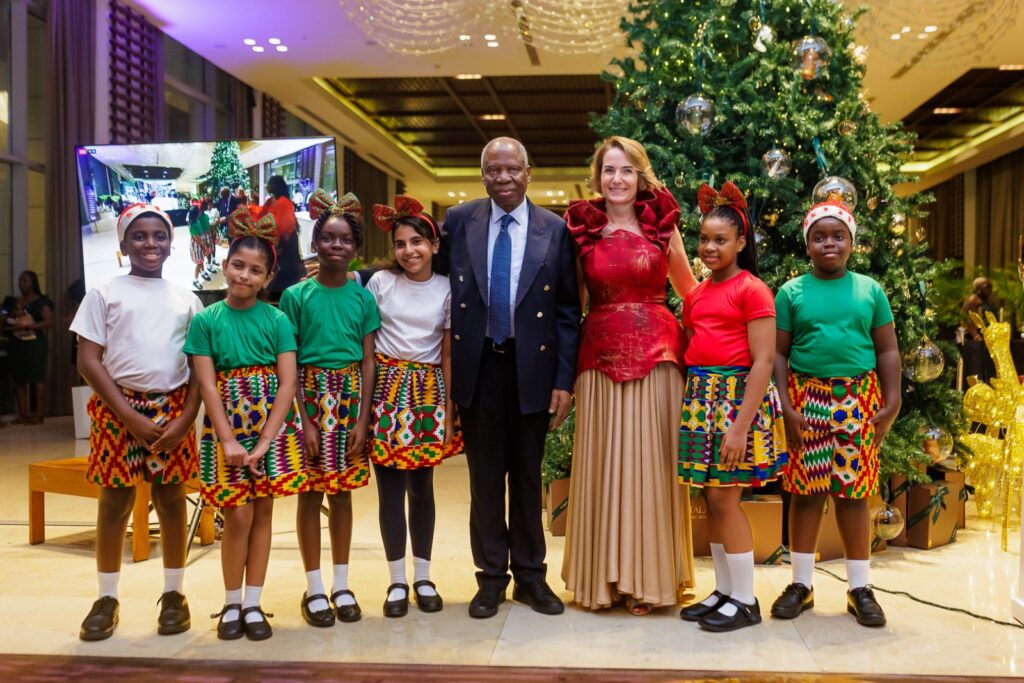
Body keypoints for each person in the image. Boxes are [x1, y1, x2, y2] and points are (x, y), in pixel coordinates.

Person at [443, 137, 581, 619]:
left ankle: (530, 577)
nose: (503, 178)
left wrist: (564, 381)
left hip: (533, 369)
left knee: (526, 477)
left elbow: (568, 312)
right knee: (484, 481)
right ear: (483, 175)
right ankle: (490, 579)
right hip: (478, 368)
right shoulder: (459, 221)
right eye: (493, 170)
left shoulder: (555, 229)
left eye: (512, 169)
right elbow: (434, 285)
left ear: (528, 173)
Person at [560, 136, 697, 615]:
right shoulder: (581, 229)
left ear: (641, 177)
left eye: (626, 170)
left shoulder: (663, 225)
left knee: (651, 469)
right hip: (599, 360)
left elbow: (690, 291)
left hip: (659, 359)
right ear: (597, 177)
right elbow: (572, 306)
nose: (616, 179)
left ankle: (649, 581)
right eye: (608, 170)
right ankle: (604, 580)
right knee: (604, 468)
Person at [70, 204, 203, 641]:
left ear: (171, 243)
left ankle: (174, 594)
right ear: (123, 244)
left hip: (173, 410)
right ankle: (106, 598)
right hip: (117, 410)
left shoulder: (187, 299)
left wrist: (186, 418)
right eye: (140, 236)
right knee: (114, 502)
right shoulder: (104, 292)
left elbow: (199, 367)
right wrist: (128, 416)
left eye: (159, 236)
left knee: (171, 500)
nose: (151, 243)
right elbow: (88, 361)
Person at [770, 201, 901, 627]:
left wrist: (893, 400)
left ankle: (859, 588)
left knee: (853, 494)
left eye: (838, 236)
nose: (829, 243)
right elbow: (778, 353)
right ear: (807, 244)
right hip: (806, 397)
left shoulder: (870, 291)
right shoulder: (791, 293)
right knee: (806, 492)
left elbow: (887, 349)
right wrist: (785, 406)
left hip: (858, 399)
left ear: (851, 243)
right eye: (819, 236)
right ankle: (801, 584)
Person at [185, 208, 307, 641]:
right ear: (225, 264)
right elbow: (207, 384)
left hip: (271, 428)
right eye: (238, 265)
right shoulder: (205, 321)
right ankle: (232, 602)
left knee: (264, 513)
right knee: (237, 515)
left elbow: (288, 382)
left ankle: (253, 604)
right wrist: (228, 440)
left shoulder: (277, 320)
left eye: (256, 270)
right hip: (227, 430)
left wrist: (266, 440)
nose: (244, 275)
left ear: (268, 277)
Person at [677, 181, 787, 633]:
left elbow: (763, 360)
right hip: (702, 400)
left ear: (741, 243)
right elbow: (694, 344)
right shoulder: (696, 294)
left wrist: (740, 427)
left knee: (726, 498)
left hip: (737, 402)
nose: (709, 247)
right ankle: (724, 590)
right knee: (712, 497)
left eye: (720, 239)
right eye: (704, 238)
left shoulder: (753, 289)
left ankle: (745, 599)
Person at [279, 189, 378, 628]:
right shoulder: (296, 296)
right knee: (310, 493)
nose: (337, 245)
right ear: (315, 242)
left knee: (342, 496)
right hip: (310, 398)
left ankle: (341, 584)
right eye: (328, 238)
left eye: (346, 239)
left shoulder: (363, 298)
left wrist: (362, 418)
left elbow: (369, 359)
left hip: (350, 399)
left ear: (356, 248)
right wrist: (304, 420)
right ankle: (314, 586)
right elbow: (290, 361)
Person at [366, 194, 462, 618]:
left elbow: (447, 354)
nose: (409, 251)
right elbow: (367, 350)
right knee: (389, 490)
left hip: (427, 392)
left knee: (422, 488)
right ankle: (396, 581)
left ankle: (423, 576)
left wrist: (449, 411)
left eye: (418, 242)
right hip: (387, 390)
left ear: (435, 245)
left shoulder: (447, 288)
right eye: (401, 244)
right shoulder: (379, 284)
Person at [3, 270, 54, 424]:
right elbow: (3, 317)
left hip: (35, 342)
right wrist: (10, 316)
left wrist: (27, 327)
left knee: (37, 377)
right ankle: (23, 415)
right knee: (19, 378)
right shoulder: (12, 301)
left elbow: (48, 322)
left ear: (33, 283)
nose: (21, 283)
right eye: (20, 280)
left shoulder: (41, 301)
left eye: (25, 280)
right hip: (16, 342)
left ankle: (38, 415)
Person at [260, 175, 306, 295]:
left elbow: (286, 226)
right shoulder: (274, 200)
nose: (267, 186)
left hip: (284, 241)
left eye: (269, 184)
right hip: (280, 240)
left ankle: (283, 294)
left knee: (285, 269)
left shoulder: (282, 201)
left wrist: (276, 240)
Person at [960, 276, 997, 383]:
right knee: (977, 368)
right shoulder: (973, 299)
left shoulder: (987, 301)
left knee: (987, 368)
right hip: (975, 340)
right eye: (987, 286)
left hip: (986, 339)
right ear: (978, 288)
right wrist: (975, 335)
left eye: (990, 286)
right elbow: (965, 318)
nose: (990, 289)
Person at [188, 200, 213, 290]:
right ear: (195, 214)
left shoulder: (197, 221)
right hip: (197, 246)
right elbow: (197, 239)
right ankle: (195, 280)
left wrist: (205, 242)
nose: (200, 212)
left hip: (201, 243)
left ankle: (202, 272)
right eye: (198, 211)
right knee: (199, 262)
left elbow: (202, 233)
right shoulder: (192, 225)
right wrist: (204, 246)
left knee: (201, 260)